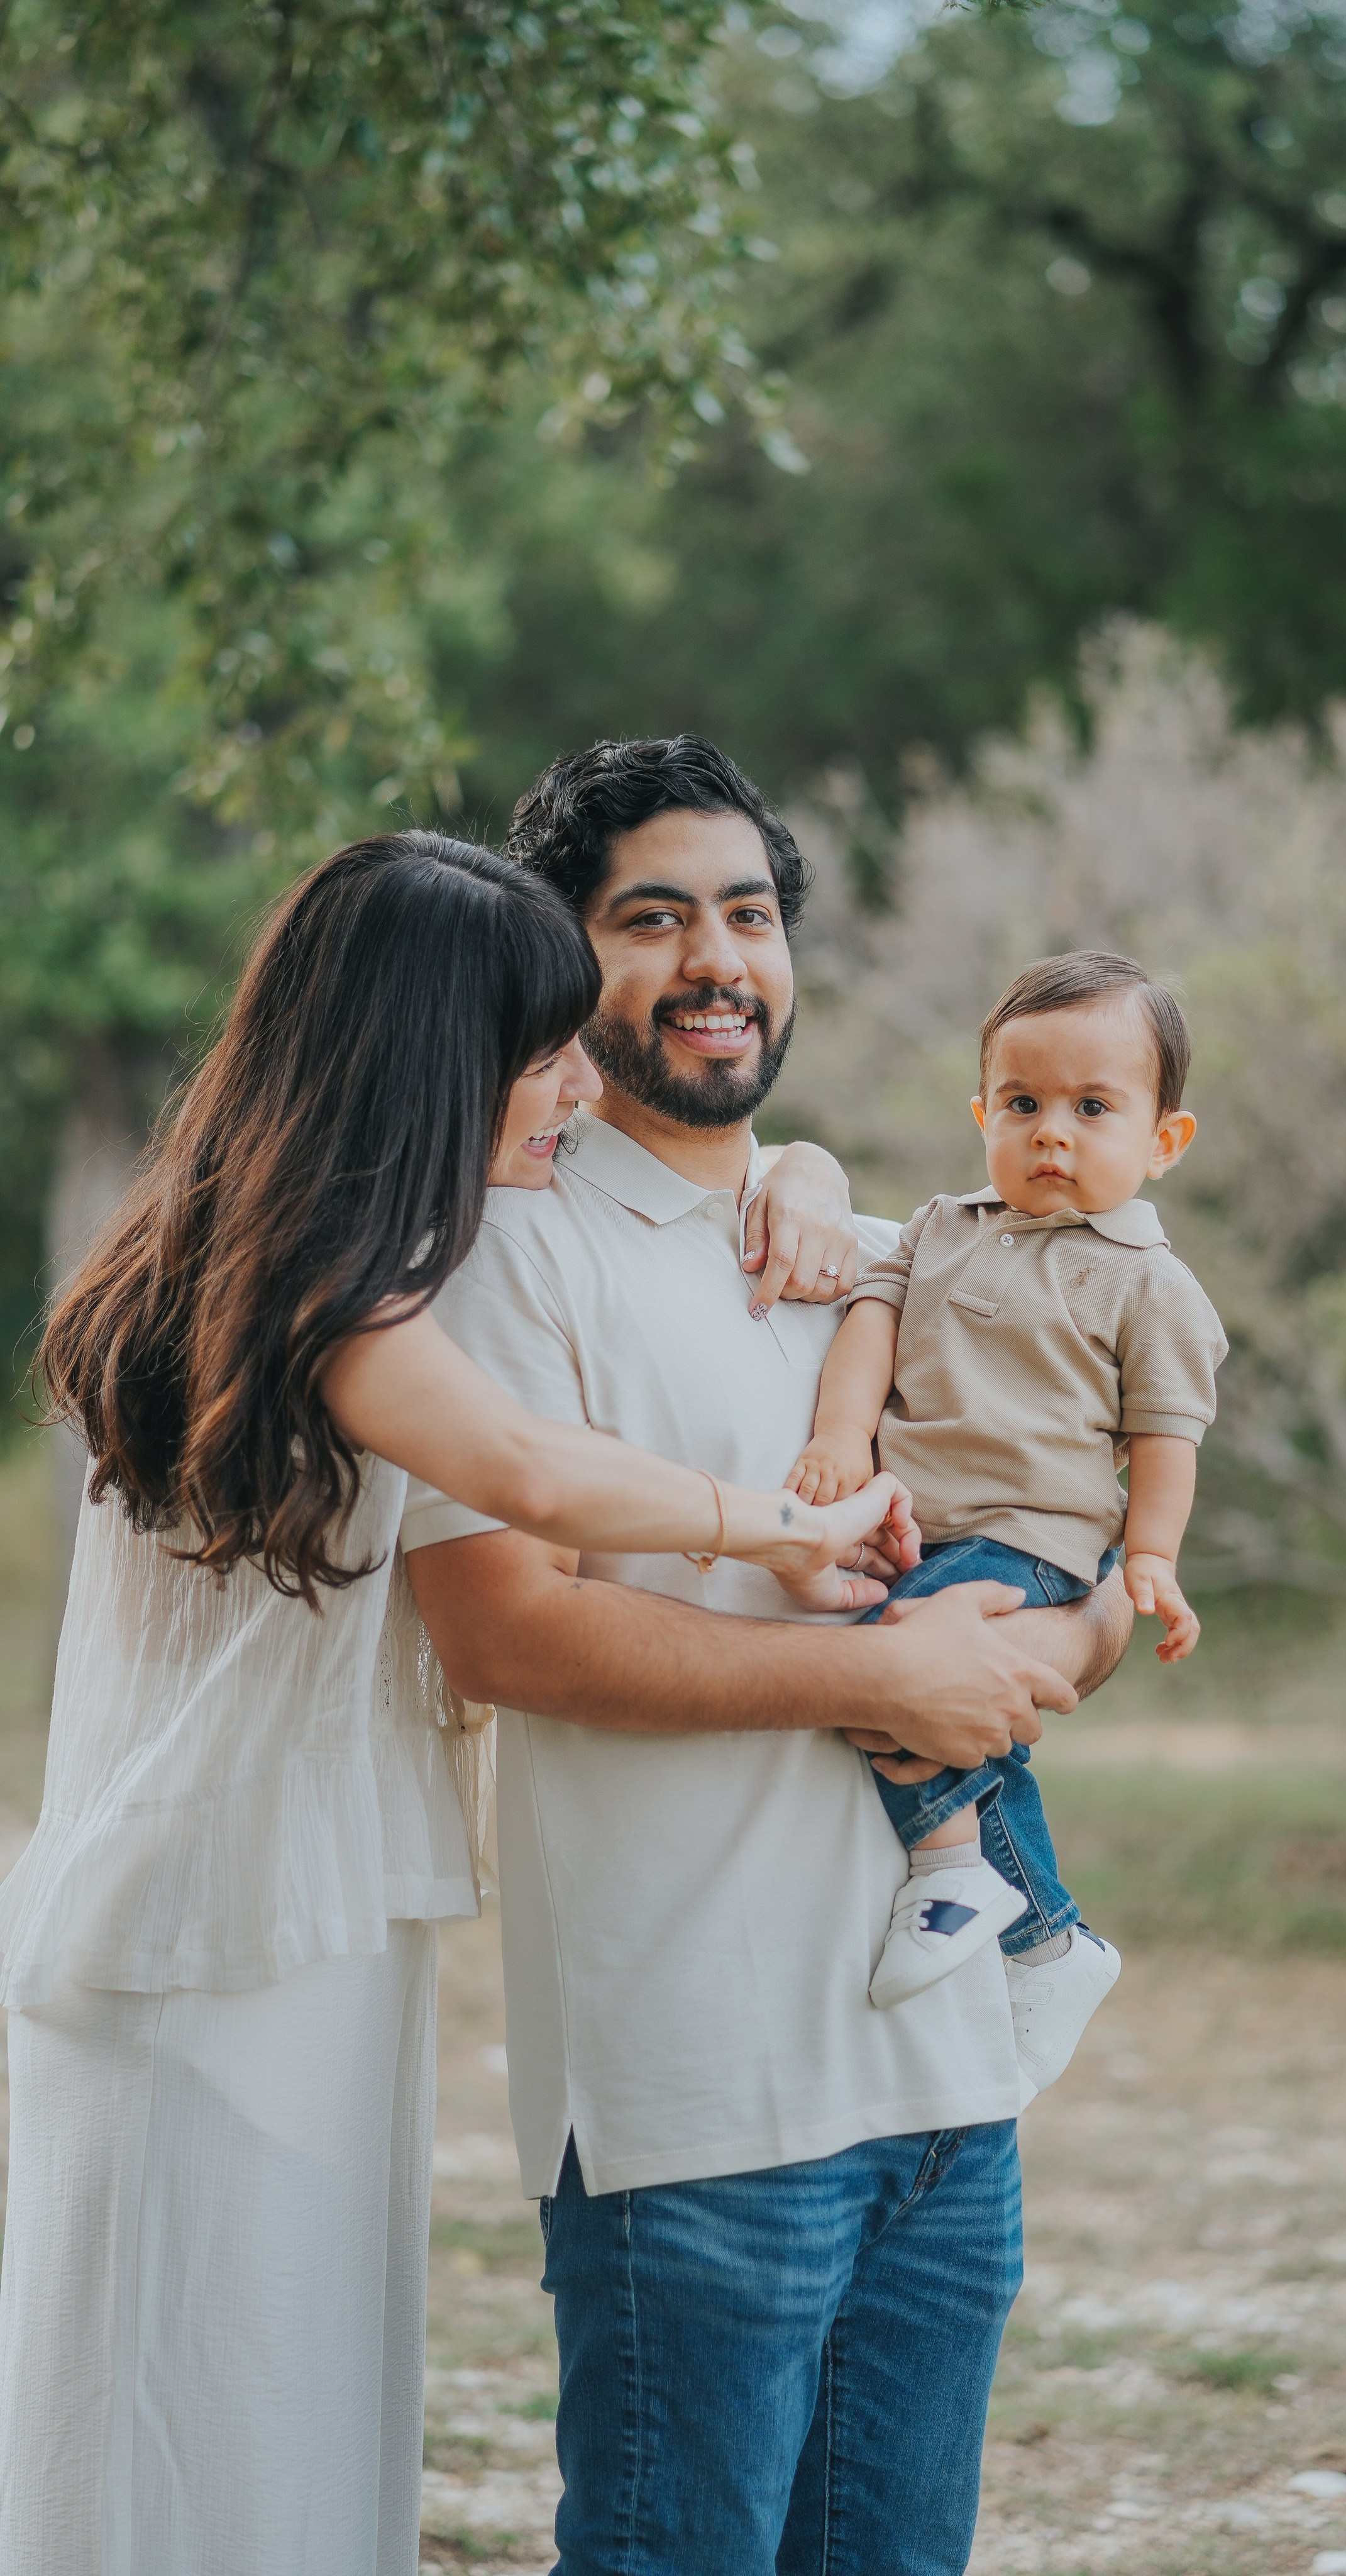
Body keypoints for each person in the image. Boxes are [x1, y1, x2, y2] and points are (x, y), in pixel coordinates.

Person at [0, 830, 919, 2576]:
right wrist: (770, 1522)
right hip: (224, 1938)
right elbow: (529, 1468)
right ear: (436, 1055)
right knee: (207, 2441)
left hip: (267, 1915)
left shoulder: (261, 1241)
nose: (577, 1082)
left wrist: (793, 1163)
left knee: (259, 2433)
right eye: (544, 1046)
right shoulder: (330, 1297)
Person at [403, 737, 1137, 2576]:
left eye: (748, 912)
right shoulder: (503, 1251)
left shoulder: (891, 1252)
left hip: (948, 2098)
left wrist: (1060, 1634)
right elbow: (502, 1626)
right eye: (652, 919)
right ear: (565, 962)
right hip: (695, 2098)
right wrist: (879, 1681)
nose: (715, 957)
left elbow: (1072, 1583)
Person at [790, 948, 1228, 2089]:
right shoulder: (938, 1226)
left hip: (1028, 1541)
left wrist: (1150, 1560)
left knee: (897, 1664)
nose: (1052, 1135)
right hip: (908, 1522)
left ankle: (975, 1886)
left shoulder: (1150, 1283)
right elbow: (870, 1330)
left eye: (1093, 1109)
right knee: (876, 1668)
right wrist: (842, 1440)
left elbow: (1163, 1438)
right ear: (983, 1112)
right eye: (1023, 1106)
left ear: (1161, 1141)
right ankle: (1041, 1934)